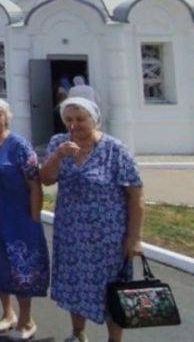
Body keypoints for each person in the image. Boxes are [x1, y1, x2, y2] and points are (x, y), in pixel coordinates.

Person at [41, 97, 143, 342]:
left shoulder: (115, 150)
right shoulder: (59, 142)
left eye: (80, 119)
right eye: (69, 120)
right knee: (76, 285)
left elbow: (136, 196)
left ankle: (114, 340)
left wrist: (134, 237)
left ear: (94, 120)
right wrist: (57, 156)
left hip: (107, 237)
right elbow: (45, 179)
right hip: (71, 233)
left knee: (112, 290)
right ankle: (78, 334)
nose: (74, 125)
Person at [0, 96, 49, 341]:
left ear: (6, 117)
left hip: (19, 218)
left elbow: (35, 184)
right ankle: (8, 313)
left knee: (21, 269)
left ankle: (27, 319)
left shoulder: (18, 145)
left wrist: (34, 217)